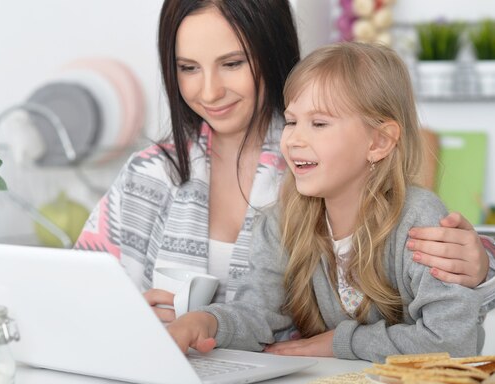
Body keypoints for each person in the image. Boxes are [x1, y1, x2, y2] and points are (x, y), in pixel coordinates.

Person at [76, 0, 495, 323]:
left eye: (232, 63)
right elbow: (75, 293)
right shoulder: (149, 175)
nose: (208, 91)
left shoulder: (325, 159)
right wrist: (133, 318)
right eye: (187, 68)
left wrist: (480, 267)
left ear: (272, 51)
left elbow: (409, 265)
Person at [165, 42, 487, 363]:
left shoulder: (419, 220)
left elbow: (453, 341)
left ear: (379, 141)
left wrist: (339, 343)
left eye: (318, 124)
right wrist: (208, 322)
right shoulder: (281, 222)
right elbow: (257, 316)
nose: (294, 140)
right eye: (291, 121)